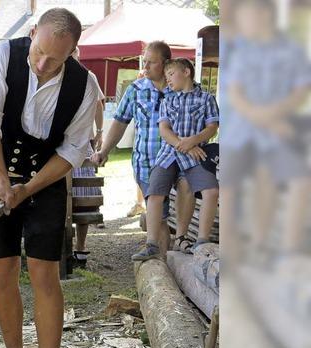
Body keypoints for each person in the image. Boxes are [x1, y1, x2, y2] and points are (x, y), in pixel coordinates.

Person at [0, 8, 99, 348]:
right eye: (40, 52)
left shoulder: (85, 85)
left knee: (44, 274)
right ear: (32, 35)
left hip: (44, 182)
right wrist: (1, 183)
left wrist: (28, 187)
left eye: (56, 60)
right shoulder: (2, 57)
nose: (43, 65)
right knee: (3, 268)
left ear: (73, 53)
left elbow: (71, 151)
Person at [222, 0, 311, 264]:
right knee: (228, 184)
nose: (243, 22)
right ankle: (229, 251)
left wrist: (271, 117)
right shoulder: (240, 52)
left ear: (263, 15)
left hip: (276, 129)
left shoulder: (292, 51)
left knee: (276, 180)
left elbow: (300, 91)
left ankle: (275, 248)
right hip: (241, 130)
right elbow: (235, 95)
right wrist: (262, 117)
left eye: (247, 16)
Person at [92, 41, 197, 255]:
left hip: (182, 159)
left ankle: (179, 246)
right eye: (144, 61)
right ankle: (163, 269)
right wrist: (104, 151)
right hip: (147, 162)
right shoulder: (135, 90)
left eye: (151, 62)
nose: (145, 67)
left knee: (184, 196)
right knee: (159, 219)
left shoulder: (184, 88)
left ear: (166, 63)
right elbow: (120, 122)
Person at [132, 58, 220, 261]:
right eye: (166, 76)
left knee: (211, 190)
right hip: (169, 153)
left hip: (197, 153)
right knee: (154, 192)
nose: (168, 80)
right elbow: (164, 130)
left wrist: (194, 141)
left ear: (187, 72)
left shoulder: (206, 99)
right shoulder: (167, 100)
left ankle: (201, 241)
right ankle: (152, 244)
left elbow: (212, 127)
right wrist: (185, 145)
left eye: (171, 74)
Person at [69, 47, 106, 267]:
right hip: (64, 143)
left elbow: (98, 104)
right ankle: (67, 247)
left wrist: (99, 132)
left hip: (83, 142)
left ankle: (80, 247)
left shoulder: (87, 77)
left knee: (84, 197)